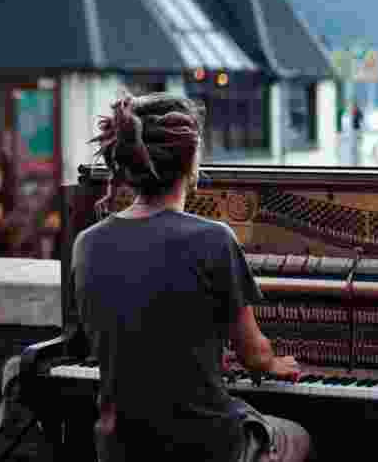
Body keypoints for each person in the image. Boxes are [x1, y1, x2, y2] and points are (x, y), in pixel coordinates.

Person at [71, 92, 312, 461]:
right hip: (206, 447)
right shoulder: (213, 239)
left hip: (119, 447)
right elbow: (255, 355)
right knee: (298, 436)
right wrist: (276, 363)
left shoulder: (85, 244)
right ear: (191, 162)